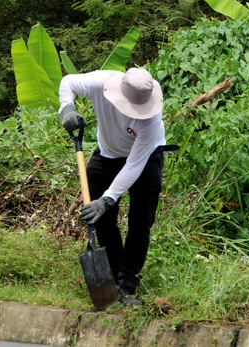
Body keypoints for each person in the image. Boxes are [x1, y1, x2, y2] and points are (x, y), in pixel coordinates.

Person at [58, 68, 169, 307]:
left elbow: (133, 167)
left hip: (146, 159)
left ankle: (128, 284)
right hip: (107, 155)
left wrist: (107, 199)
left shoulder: (150, 120)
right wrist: (67, 108)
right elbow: (68, 82)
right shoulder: (101, 82)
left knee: (140, 222)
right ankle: (114, 276)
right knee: (101, 219)